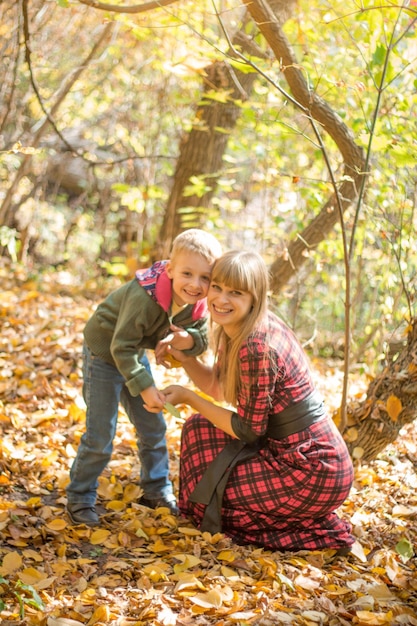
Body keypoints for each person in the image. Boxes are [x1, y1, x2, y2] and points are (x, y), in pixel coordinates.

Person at [163, 250, 355, 553]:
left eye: (235, 293)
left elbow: (247, 430)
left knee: (212, 505)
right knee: (199, 430)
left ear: (255, 297)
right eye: (217, 287)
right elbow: (218, 387)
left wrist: (188, 397)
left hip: (311, 469)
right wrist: (185, 357)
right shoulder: (237, 328)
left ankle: (324, 532)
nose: (221, 299)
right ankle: (299, 518)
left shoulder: (256, 344)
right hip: (284, 452)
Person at [66, 229, 223, 527]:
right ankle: (79, 497)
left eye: (205, 278)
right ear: (170, 269)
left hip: (132, 350)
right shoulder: (145, 297)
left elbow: (201, 340)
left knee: (153, 425)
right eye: (187, 273)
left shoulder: (198, 304)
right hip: (104, 351)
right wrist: (146, 386)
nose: (195, 284)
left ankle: (156, 490)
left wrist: (185, 340)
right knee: (101, 434)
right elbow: (119, 345)